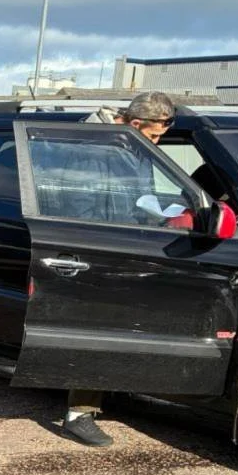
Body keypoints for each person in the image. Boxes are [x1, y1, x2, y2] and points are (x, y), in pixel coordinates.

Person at [61, 90, 177, 447]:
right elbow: (78, 203)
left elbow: (138, 197)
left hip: (128, 245)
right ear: (136, 123)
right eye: (155, 136)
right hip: (101, 250)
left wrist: (160, 217)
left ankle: (106, 392)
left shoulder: (135, 149)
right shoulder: (92, 148)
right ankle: (79, 413)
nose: (157, 144)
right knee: (99, 330)